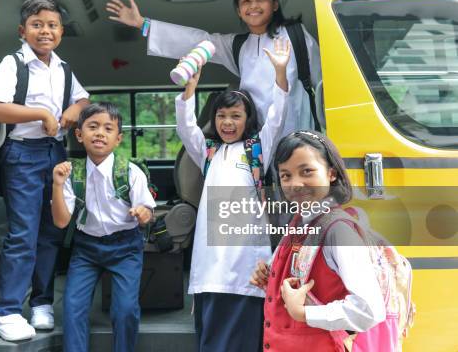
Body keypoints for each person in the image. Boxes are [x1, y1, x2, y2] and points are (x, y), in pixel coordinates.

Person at [0, 0, 90, 342]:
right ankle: (8, 310)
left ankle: (41, 304)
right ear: (22, 31)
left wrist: (75, 110)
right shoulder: (13, 65)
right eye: (37, 24)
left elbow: (83, 98)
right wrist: (41, 114)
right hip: (23, 153)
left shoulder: (63, 68)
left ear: (61, 31)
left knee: (51, 232)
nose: (45, 30)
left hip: (54, 152)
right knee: (23, 234)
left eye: (52, 25)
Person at [175, 38, 290, 352]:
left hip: (246, 252)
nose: (228, 122)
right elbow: (186, 127)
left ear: (248, 120)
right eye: (222, 116)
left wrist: (280, 72)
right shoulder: (208, 151)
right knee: (212, 318)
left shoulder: (257, 149)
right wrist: (189, 88)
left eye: (236, 116)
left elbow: (277, 117)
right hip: (211, 253)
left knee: (245, 319)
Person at [106, 0, 322, 137]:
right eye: (245, 1)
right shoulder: (238, 45)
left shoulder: (295, 35)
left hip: (298, 139)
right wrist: (142, 23)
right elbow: (197, 41)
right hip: (255, 142)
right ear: (238, 10)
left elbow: (324, 85)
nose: (253, 5)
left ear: (274, 4)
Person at [250, 131, 386, 351]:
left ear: (331, 173)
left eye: (307, 171)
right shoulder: (298, 222)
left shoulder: (338, 232)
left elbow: (370, 310)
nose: (295, 184)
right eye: (286, 175)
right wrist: (269, 276)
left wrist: (304, 313)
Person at [51, 102, 156, 352]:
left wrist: (143, 213)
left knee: (126, 310)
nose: (100, 133)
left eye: (108, 128)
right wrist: (56, 184)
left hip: (125, 247)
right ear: (79, 135)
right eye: (93, 126)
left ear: (118, 139)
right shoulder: (71, 173)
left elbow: (148, 211)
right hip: (86, 249)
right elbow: (61, 221)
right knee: (73, 307)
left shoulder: (130, 172)